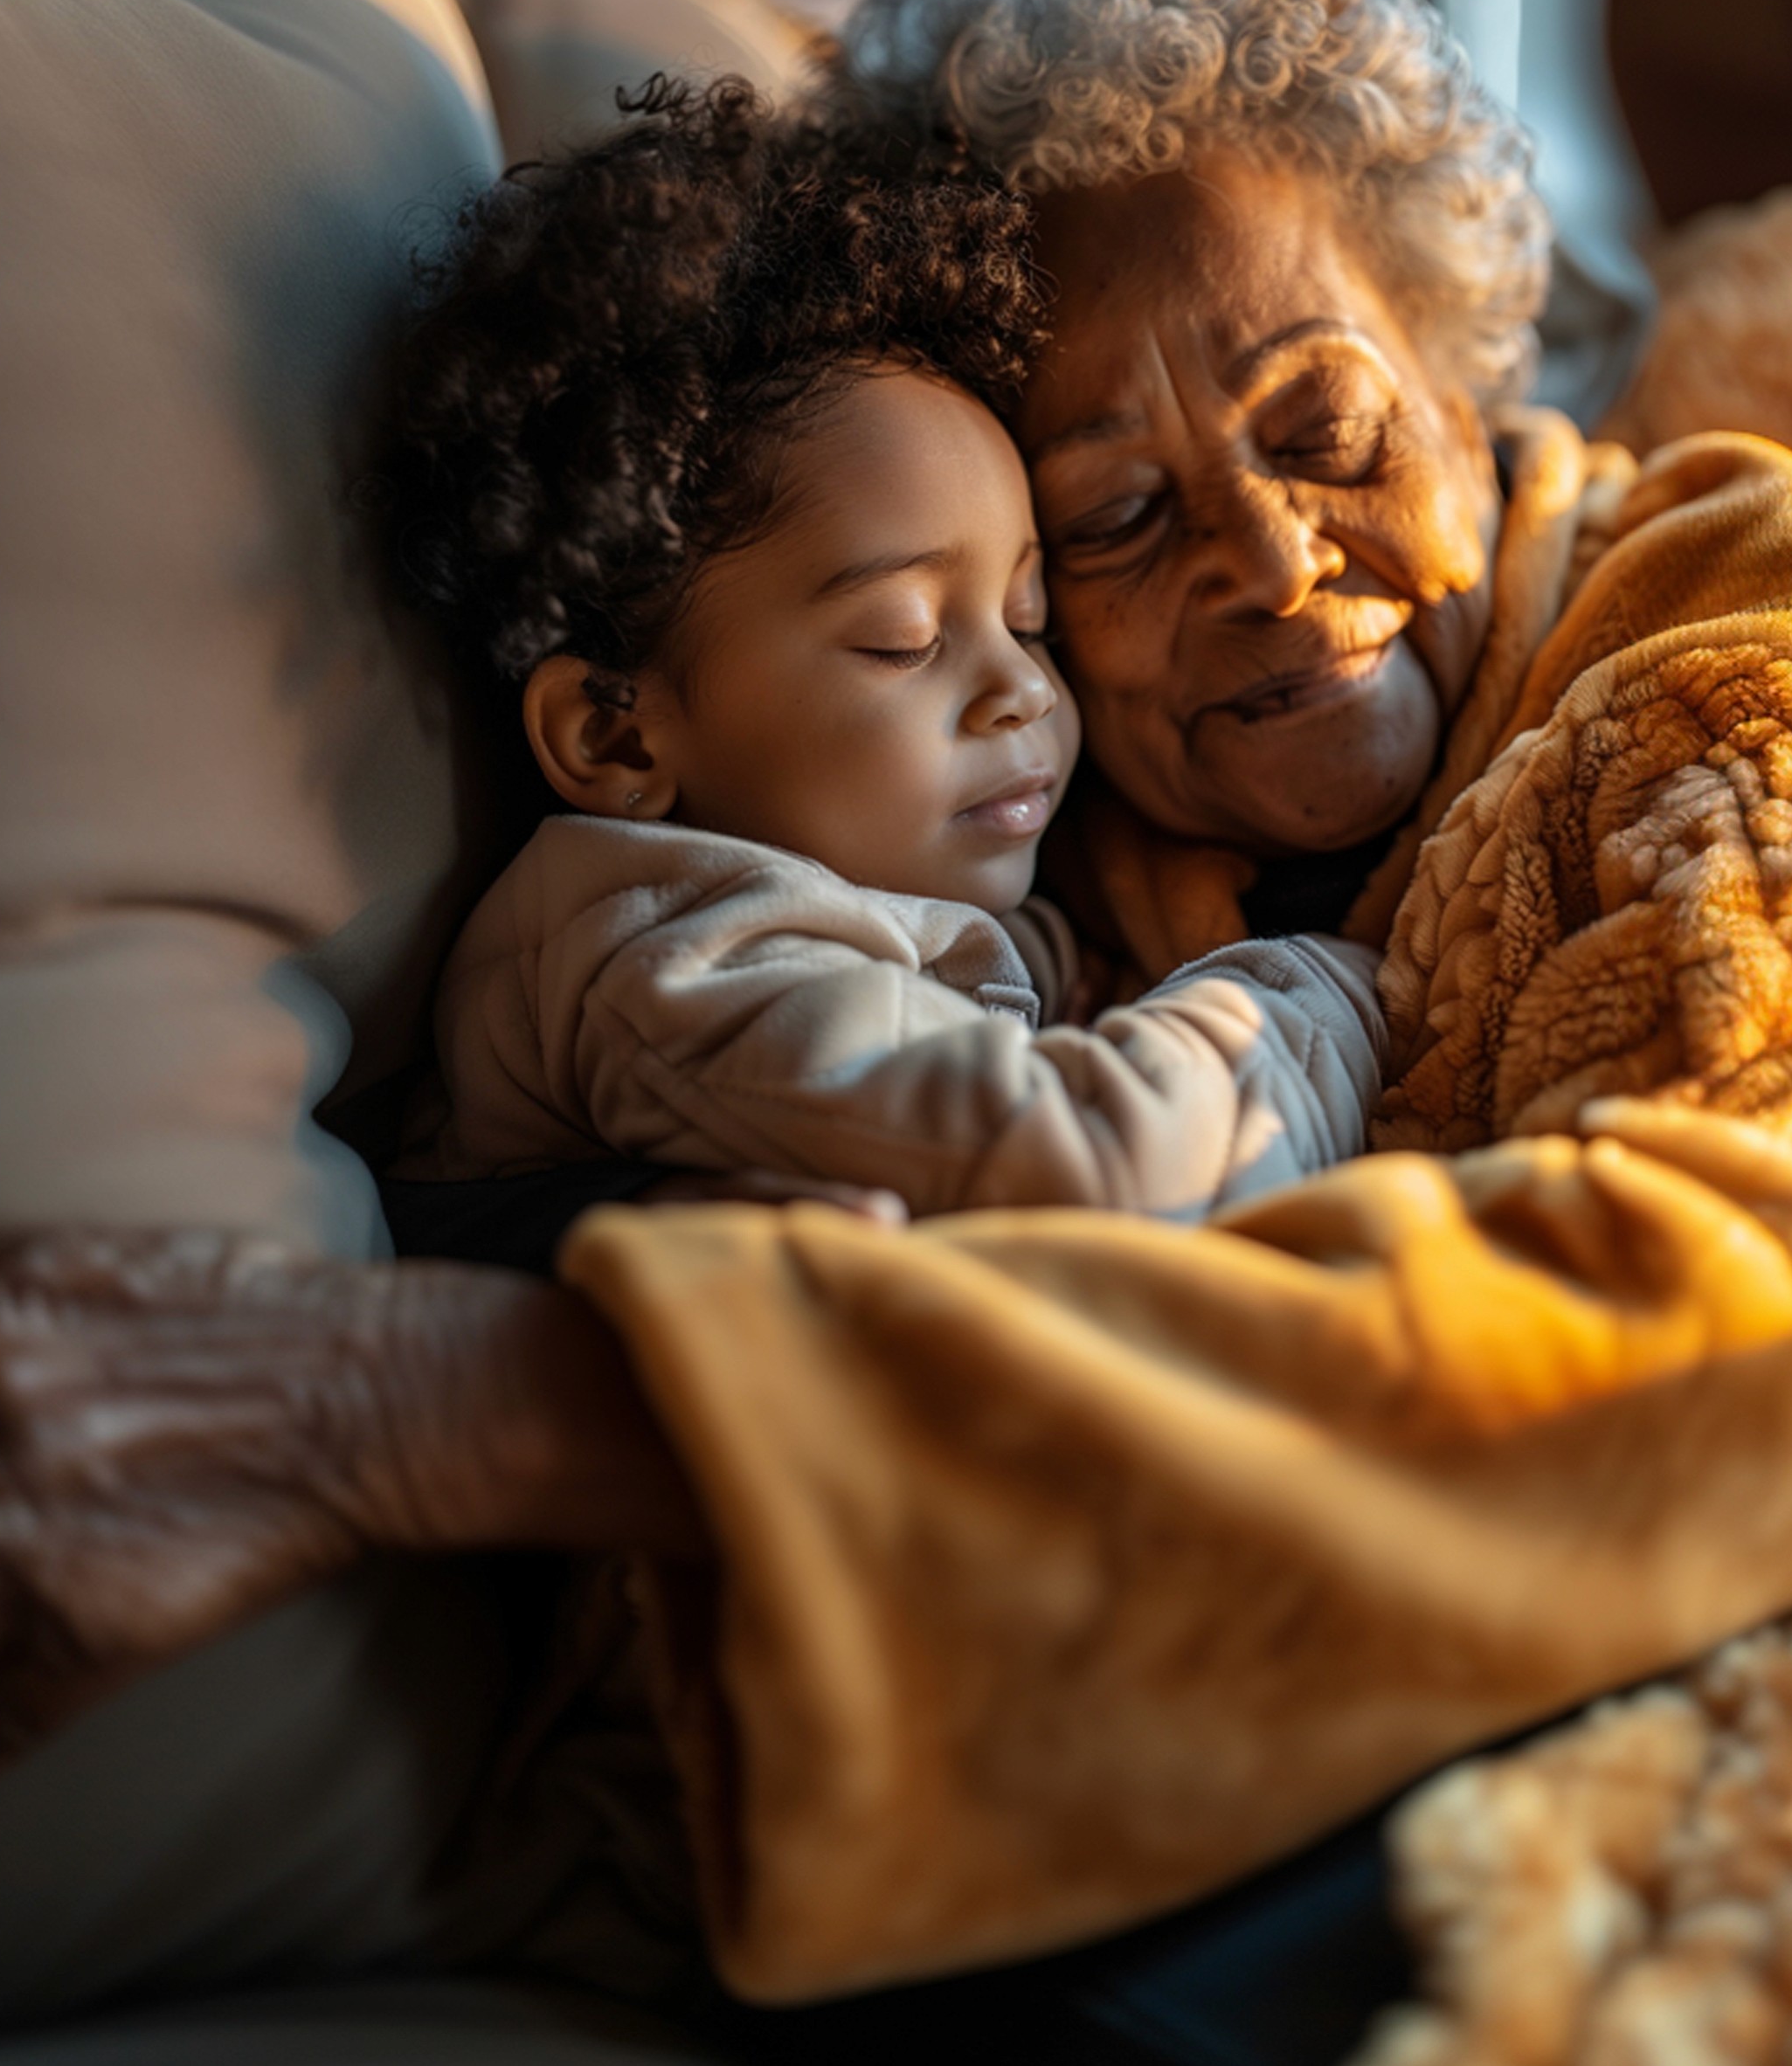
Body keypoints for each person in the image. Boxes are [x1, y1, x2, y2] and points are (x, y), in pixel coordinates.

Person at [0, 0, 1792, 2066]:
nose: (1260, 562)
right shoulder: (1054, 846)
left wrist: (464, 1406)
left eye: (1324, 432)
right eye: (1111, 523)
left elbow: (1745, 1323)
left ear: (1471, 376)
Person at [379, 75, 1380, 1231]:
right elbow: (1116, 1164)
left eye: (1028, 620)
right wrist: (1334, 989)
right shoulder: (664, 963)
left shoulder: (852, 899)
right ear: (615, 734)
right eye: (904, 641)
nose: (1020, 693)